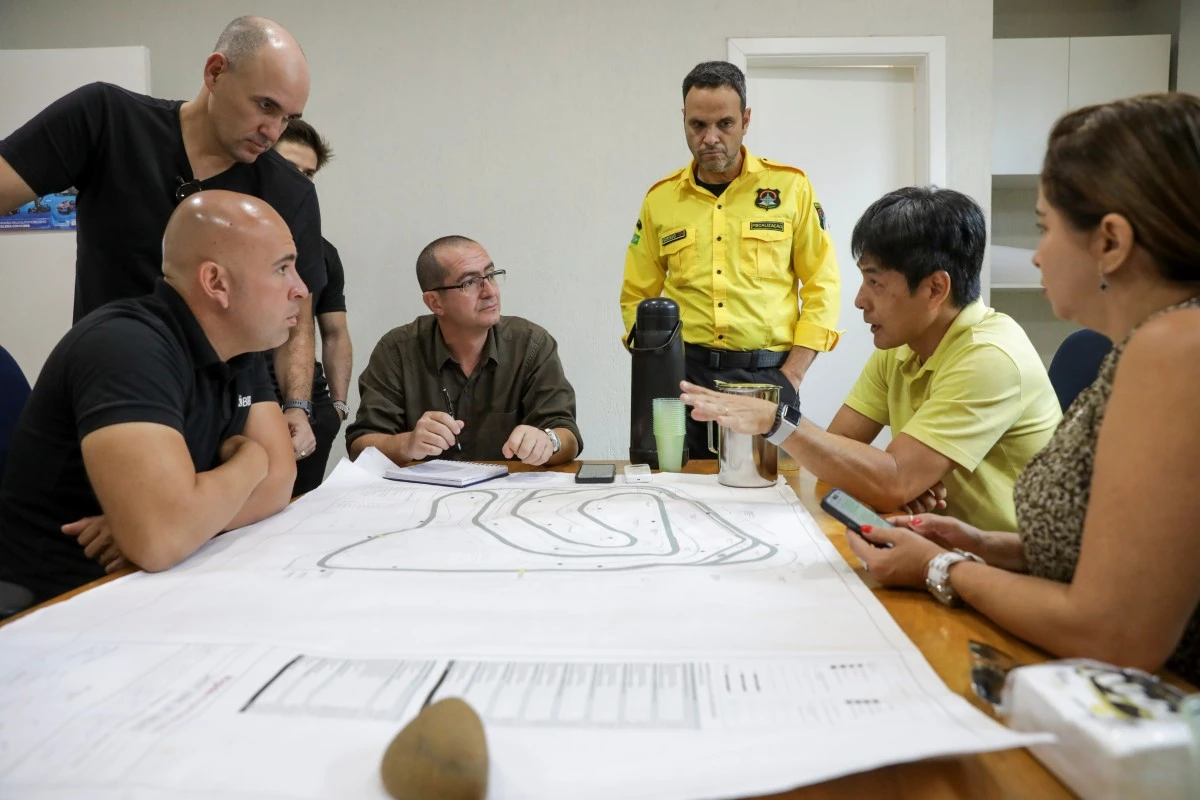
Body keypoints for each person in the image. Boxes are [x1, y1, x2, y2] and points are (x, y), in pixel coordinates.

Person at [841, 94, 1200, 683]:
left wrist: (944, 567)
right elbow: (1123, 557)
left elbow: (1113, 631)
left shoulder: (1173, 349)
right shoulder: (1144, 347)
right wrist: (983, 543)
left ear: (1110, 242)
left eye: (1044, 227)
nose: (1035, 255)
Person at [0, 15, 326, 465]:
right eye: (265, 106)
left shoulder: (289, 192)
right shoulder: (107, 119)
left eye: (289, 118)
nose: (274, 132)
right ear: (215, 72)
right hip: (115, 399)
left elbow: (297, 314)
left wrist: (296, 406)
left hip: (227, 411)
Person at [682, 187, 1061, 531]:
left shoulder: (990, 357)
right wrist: (891, 485)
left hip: (1015, 568)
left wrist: (775, 420)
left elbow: (890, 477)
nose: (860, 300)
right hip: (938, 545)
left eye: (875, 282)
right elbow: (838, 451)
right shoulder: (902, 347)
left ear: (935, 288)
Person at [0, 191, 303, 602]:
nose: (300, 289)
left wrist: (189, 516)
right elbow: (161, 538)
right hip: (56, 598)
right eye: (282, 268)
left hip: (152, 581)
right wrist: (252, 460)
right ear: (217, 282)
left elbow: (280, 484)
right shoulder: (127, 346)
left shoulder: (240, 349)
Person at [620, 60, 841, 458]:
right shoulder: (661, 199)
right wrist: (658, 375)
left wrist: (792, 374)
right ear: (684, 120)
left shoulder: (791, 188)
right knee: (680, 488)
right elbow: (636, 294)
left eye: (724, 123)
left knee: (764, 493)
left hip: (767, 376)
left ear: (746, 120)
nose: (710, 138)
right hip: (686, 377)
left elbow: (824, 285)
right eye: (698, 125)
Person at [347, 236, 581, 466]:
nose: (489, 291)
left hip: (508, 496)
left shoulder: (531, 344)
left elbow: (567, 434)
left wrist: (549, 441)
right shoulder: (397, 350)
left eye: (491, 275)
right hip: (423, 498)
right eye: (470, 282)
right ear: (435, 302)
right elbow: (360, 446)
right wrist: (407, 444)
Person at [272, 119, 353, 494]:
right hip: (248, 399)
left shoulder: (322, 252)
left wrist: (337, 407)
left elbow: (334, 332)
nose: (299, 184)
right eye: (290, 170)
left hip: (309, 403)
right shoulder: (222, 237)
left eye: (308, 174)